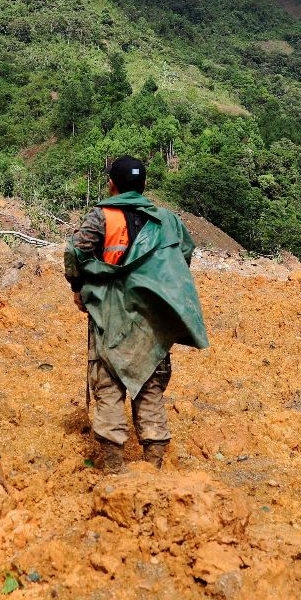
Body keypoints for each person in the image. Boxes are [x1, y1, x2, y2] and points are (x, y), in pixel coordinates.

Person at [64, 155, 209, 472]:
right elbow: (183, 253)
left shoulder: (103, 217)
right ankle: (153, 464)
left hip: (111, 312)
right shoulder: (167, 220)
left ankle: (115, 468)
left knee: (109, 382)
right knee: (150, 384)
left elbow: (75, 250)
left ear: (112, 186)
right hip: (151, 317)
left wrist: (79, 286)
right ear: (143, 186)